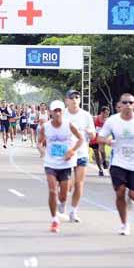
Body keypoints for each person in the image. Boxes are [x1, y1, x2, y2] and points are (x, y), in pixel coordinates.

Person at [98, 93, 134, 236]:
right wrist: (108, 141)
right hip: (118, 161)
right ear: (120, 105)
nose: (128, 105)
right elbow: (100, 137)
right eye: (125, 102)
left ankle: (130, 200)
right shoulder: (112, 121)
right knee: (120, 191)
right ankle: (124, 224)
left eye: (130, 102)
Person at [38, 100, 83, 233]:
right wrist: (41, 150)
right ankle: (54, 220)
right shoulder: (45, 127)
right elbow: (39, 143)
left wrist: (72, 150)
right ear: (50, 112)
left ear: (63, 112)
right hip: (51, 163)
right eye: (55, 111)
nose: (57, 113)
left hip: (66, 163)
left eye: (59, 111)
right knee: (52, 191)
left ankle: (61, 204)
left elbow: (81, 139)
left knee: (63, 196)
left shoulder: (69, 125)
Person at [62, 90, 96, 222]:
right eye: (71, 98)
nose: (75, 100)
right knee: (67, 184)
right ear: (66, 100)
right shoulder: (62, 114)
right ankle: (63, 201)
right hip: (67, 153)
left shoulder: (86, 115)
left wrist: (90, 132)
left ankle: (73, 211)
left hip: (81, 152)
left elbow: (93, 134)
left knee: (79, 184)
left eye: (77, 97)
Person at [89, 106, 110, 176]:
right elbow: (89, 126)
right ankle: (100, 169)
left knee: (102, 150)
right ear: (102, 113)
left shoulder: (108, 121)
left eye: (108, 114)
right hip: (94, 138)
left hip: (102, 138)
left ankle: (104, 161)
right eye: (106, 113)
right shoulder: (95, 118)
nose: (107, 115)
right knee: (96, 154)